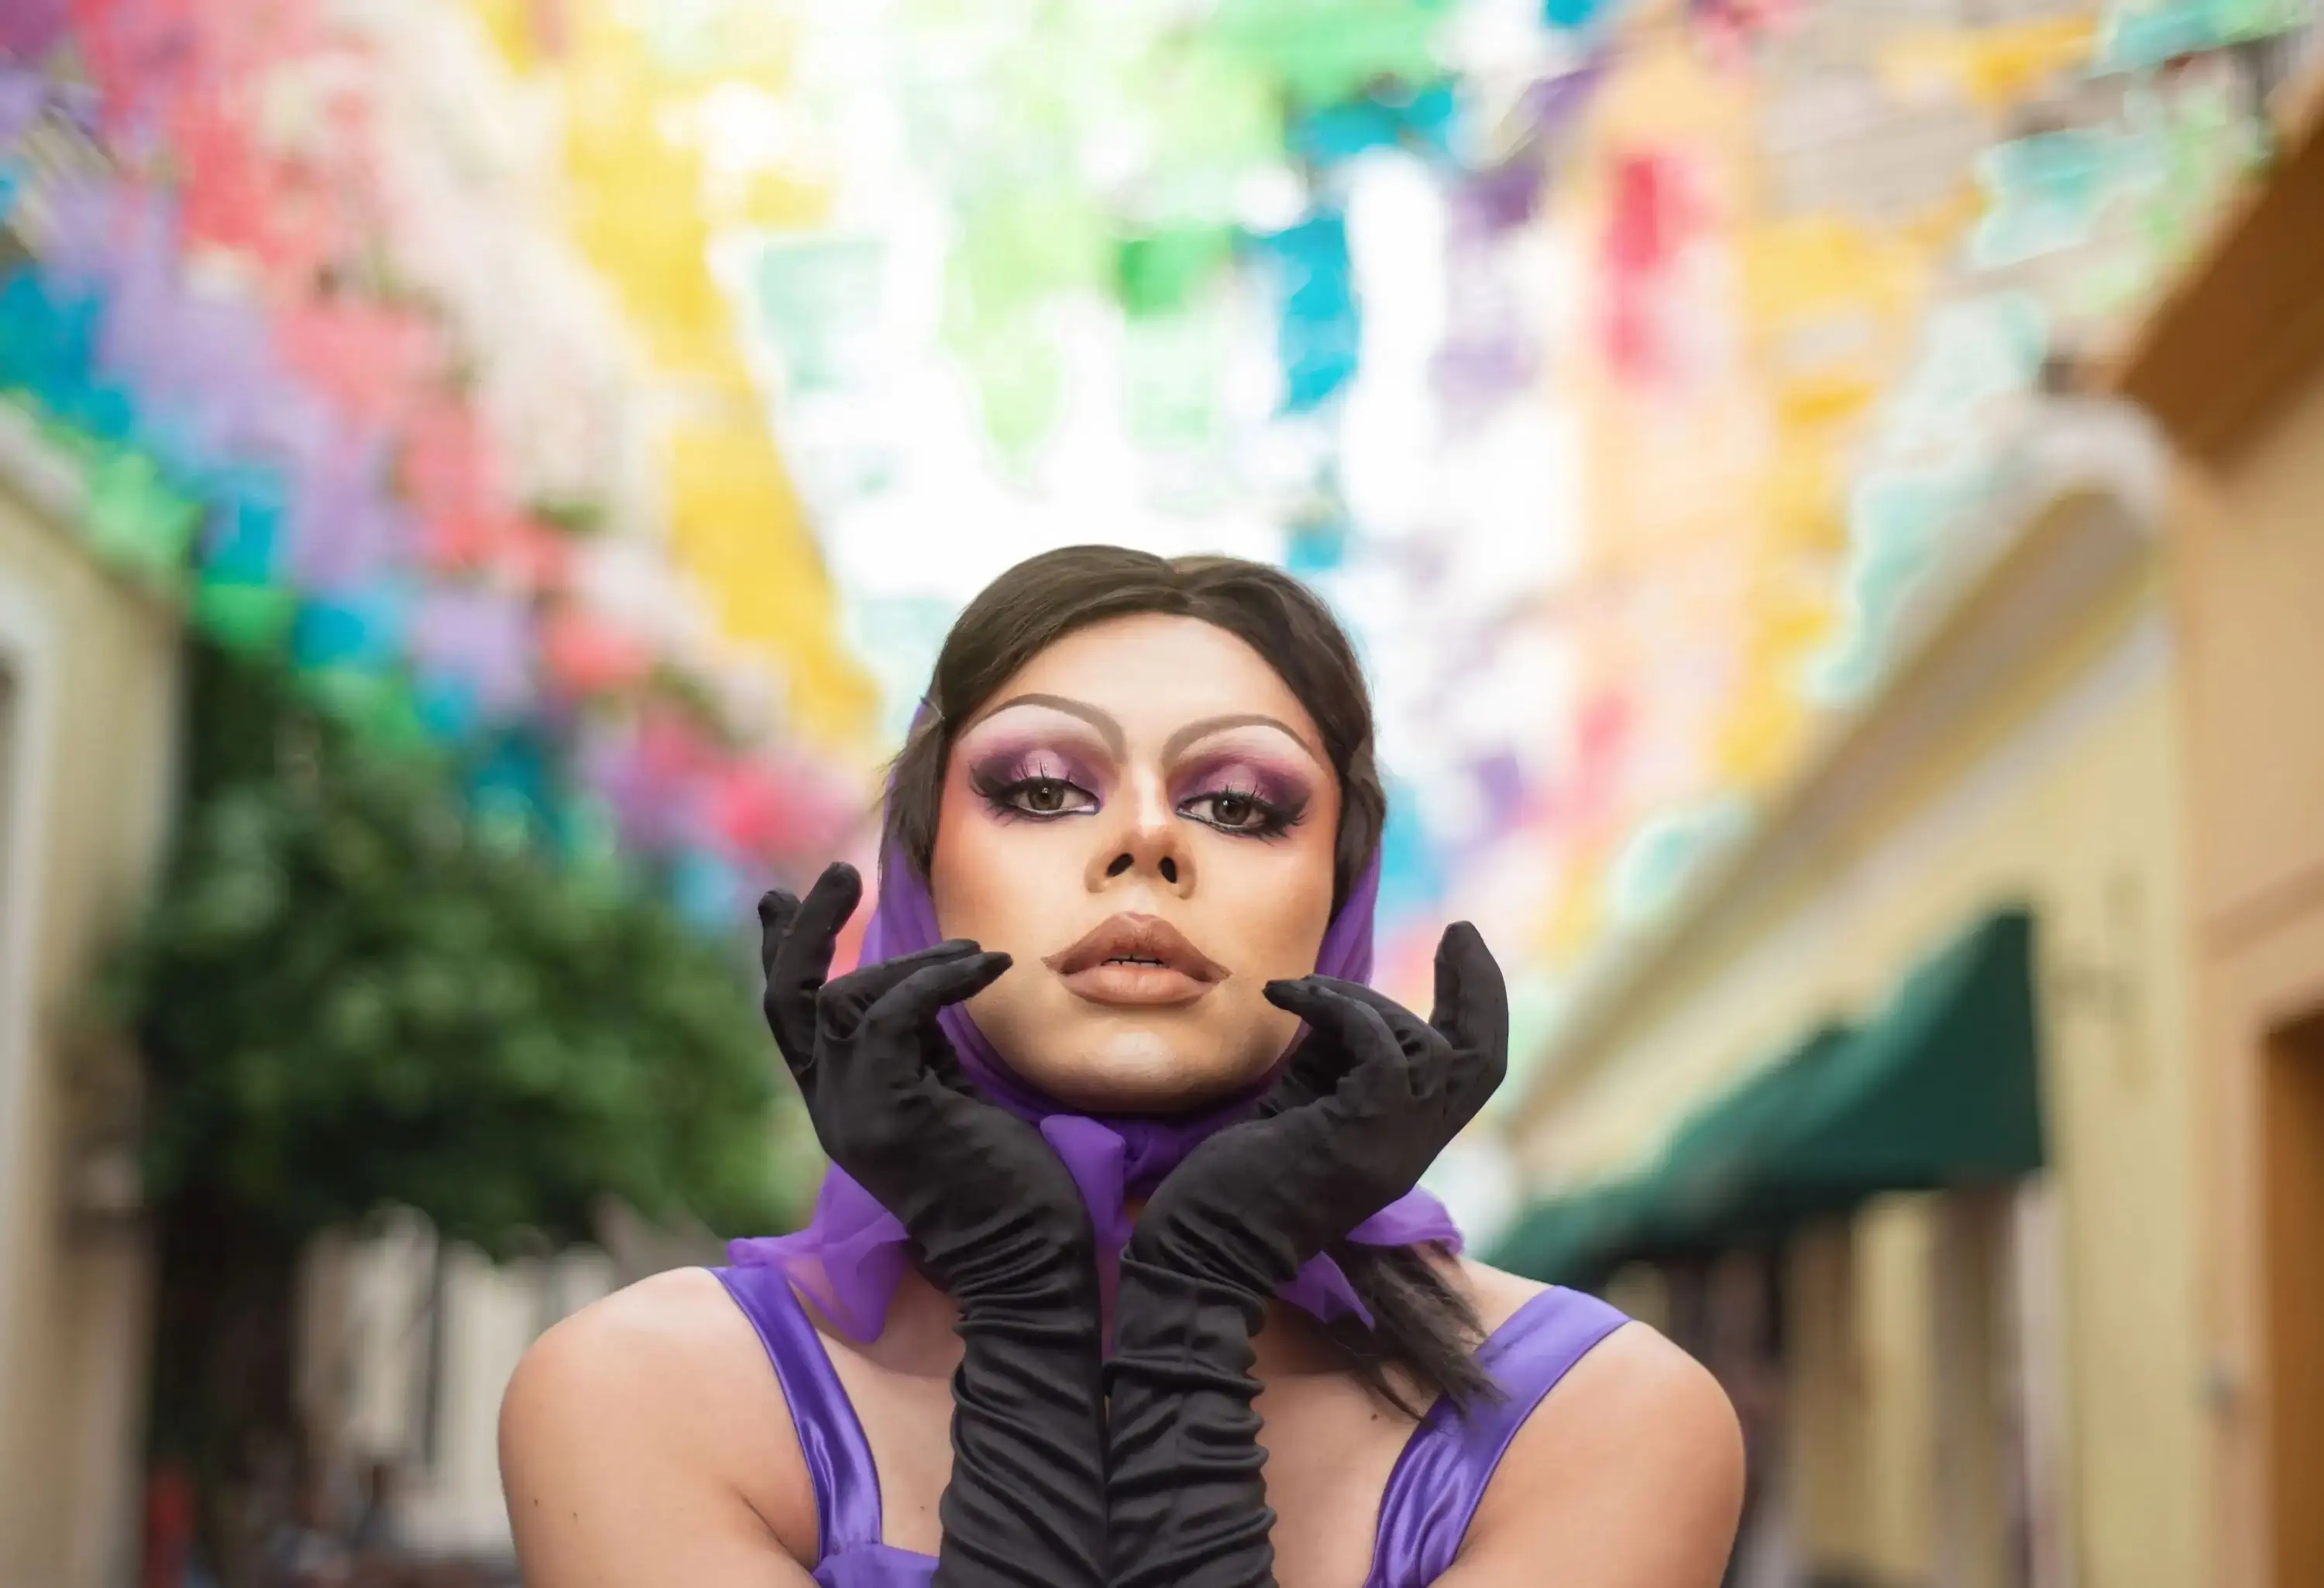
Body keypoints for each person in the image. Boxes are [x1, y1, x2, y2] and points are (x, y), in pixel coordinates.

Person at [500, 548, 1743, 1586]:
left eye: (1241, 803)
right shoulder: (644, 1396)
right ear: (926, 870)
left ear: (1338, 894)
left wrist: (1198, 1287)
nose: (1145, 837)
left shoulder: (1599, 1417)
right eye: (1042, 789)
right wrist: (1023, 1293)